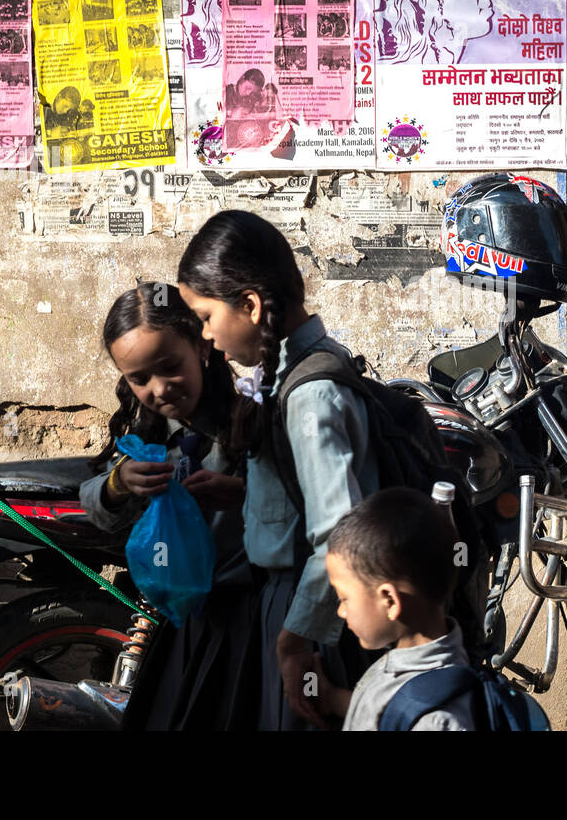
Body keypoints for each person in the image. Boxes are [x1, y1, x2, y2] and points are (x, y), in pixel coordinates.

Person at [177, 210, 378, 730]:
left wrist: (294, 641)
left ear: (249, 305)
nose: (205, 336)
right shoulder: (289, 375)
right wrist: (244, 494)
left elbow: (338, 532)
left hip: (311, 616)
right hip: (293, 608)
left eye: (205, 316)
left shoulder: (310, 394)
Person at [80, 282, 258, 730]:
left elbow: (300, 506)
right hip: (178, 628)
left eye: (170, 367)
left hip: (247, 619)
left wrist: (243, 493)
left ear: (202, 347)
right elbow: (94, 503)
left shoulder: (252, 423)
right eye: (140, 379)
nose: (159, 389)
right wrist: (119, 484)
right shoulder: (151, 440)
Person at [314, 487, 474, 731]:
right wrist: (331, 698)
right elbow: (390, 711)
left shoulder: (437, 719)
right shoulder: (410, 663)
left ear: (389, 601)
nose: (341, 612)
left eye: (344, 599)